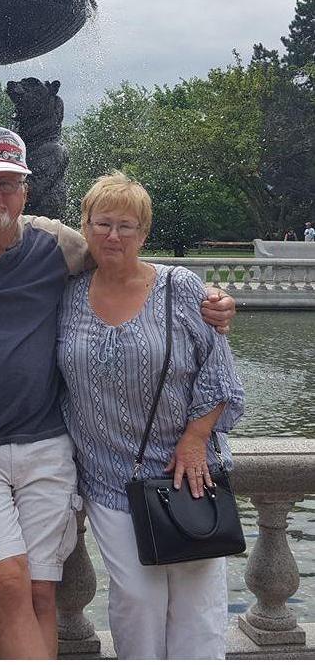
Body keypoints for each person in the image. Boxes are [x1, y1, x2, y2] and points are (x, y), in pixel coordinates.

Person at [0, 127, 237, 659]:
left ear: (26, 193)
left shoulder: (56, 247)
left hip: (47, 445)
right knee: (13, 582)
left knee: (41, 590)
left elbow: (138, 276)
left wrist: (213, 300)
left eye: (8, 184)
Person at [58, 172, 245, 659]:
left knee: (198, 606)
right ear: (86, 227)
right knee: (136, 601)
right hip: (109, 475)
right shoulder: (68, 294)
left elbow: (219, 371)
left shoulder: (178, 287)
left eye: (126, 226)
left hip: (187, 469)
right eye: (102, 224)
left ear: (144, 233)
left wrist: (196, 436)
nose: (113, 235)